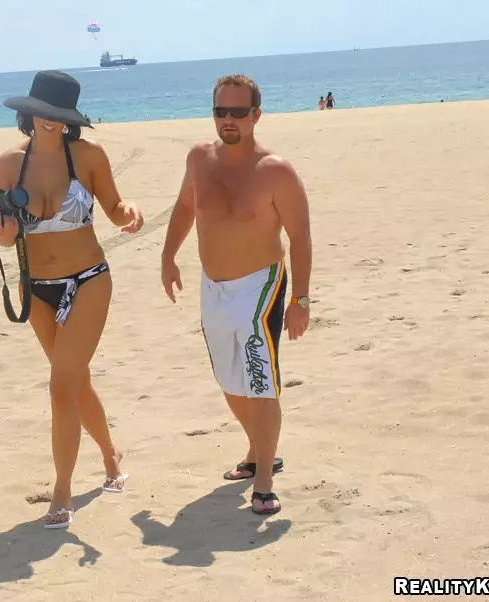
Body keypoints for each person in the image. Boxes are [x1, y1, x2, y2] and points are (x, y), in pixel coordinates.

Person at [0, 70, 144, 528]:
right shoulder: (9, 164)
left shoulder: (88, 155)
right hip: (36, 289)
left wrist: (129, 213)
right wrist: (2, 231)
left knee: (60, 385)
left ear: (70, 118)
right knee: (73, 381)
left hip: (88, 279)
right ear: (29, 113)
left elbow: (114, 208)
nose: (50, 121)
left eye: (59, 115)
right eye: (43, 113)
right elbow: (4, 238)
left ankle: (62, 490)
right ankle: (110, 456)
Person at [160, 73, 313, 516]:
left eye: (238, 112)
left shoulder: (276, 171)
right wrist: (168, 256)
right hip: (213, 287)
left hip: (260, 287)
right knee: (230, 381)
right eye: (220, 111)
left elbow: (300, 238)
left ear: (256, 115)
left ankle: (264, 478)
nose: (228, 119)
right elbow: (185, 207)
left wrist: (300, 300)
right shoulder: (198, 159)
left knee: (260, 382)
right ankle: (258, 449)